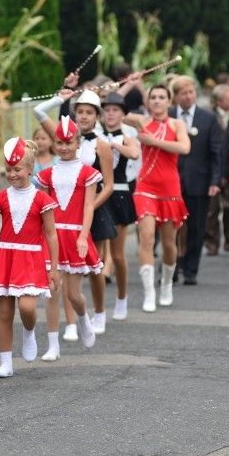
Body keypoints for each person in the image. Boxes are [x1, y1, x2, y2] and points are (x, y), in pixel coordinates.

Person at [0, 138, 61, 377]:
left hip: (31, 259)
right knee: (4, 313)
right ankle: (6, 362)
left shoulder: (42, 199)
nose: (12, 174)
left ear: (30, 170)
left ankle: (29, 331)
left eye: (17, 169)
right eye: (9, 169)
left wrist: (54, 267)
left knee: (28, 307)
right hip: (5, 257)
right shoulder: (1, 197)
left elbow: (52, 235)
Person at [35, 79, 115, 337]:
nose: (83, 116)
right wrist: (62, 97)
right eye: (79, 111)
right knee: (62, 272)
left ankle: (99, 311)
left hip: (94, 206)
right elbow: (39, 113)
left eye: (89, 112)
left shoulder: (101, 144)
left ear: (96, 115)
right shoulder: (63, 134)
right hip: (65, 213)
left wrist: (88, 207)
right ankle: (70, 324)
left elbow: (108, 185)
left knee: (94, 268)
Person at [34, 116, 99, 360]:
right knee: (52, 290)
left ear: (78, 143)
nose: (64, 147)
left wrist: (83, 236)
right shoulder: (47, 174)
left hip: (75, 235)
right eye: (59, 142)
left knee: (74, 295)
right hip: (52, 236)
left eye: (69, 142)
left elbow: (89, 207)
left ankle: (83, 317)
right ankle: (53, 344)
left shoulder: (88, 173)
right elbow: (41, 209)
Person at [124, 83, 190, 311]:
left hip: (170, 190)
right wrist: (130, 84)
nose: (157, 101)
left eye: (162, 97)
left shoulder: (176, 124)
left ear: (169, 102)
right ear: (147, 101)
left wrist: (154, 142)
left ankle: (166, 285)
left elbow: (185, 148)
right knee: (147, 238)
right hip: (145, 187)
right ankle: (149, 293)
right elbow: (113, 109)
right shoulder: (142, 121)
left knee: (170, 245)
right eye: (153, 97)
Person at [170, 75, 221, 285]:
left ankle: (191, 269)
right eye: (183, 93)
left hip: (199, 182)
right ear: (176, 96)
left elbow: (216, 152)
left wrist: (215, 181)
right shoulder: (169, 117)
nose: (188, 96)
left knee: (197, 226)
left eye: (191, 92)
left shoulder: (207, 118)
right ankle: (170, 267)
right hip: (171, 181)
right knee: (170, 228)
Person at [98, 91, 140, 320]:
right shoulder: (95, 135)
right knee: (98, 254)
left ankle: (122, 297)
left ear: (123, 114)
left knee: (118, 254)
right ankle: (99, 306)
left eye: (115, 110)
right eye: (107, 110)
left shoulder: (125, 137)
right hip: (98, 194)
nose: (111, 114)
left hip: (120, 195)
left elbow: (134, 153)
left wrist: (114, 145)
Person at [205, 84, 229, 256]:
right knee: (212, 209)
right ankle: (211, 242)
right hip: (212, 168)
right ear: (219, 100)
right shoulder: (210, 116)